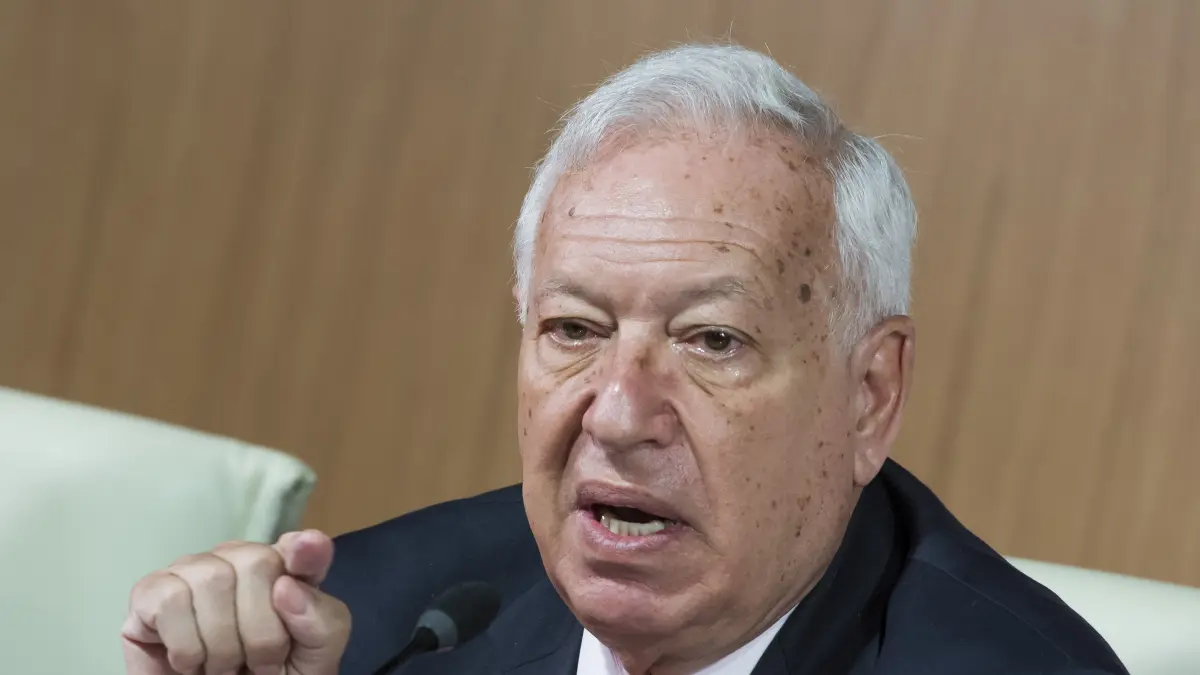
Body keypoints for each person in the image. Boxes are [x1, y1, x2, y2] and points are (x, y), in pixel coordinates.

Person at [121, 44, 1129, 675]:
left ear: (868, 397)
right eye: (574, 329)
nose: (616, 414)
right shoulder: (375, 624)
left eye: (712, 341)